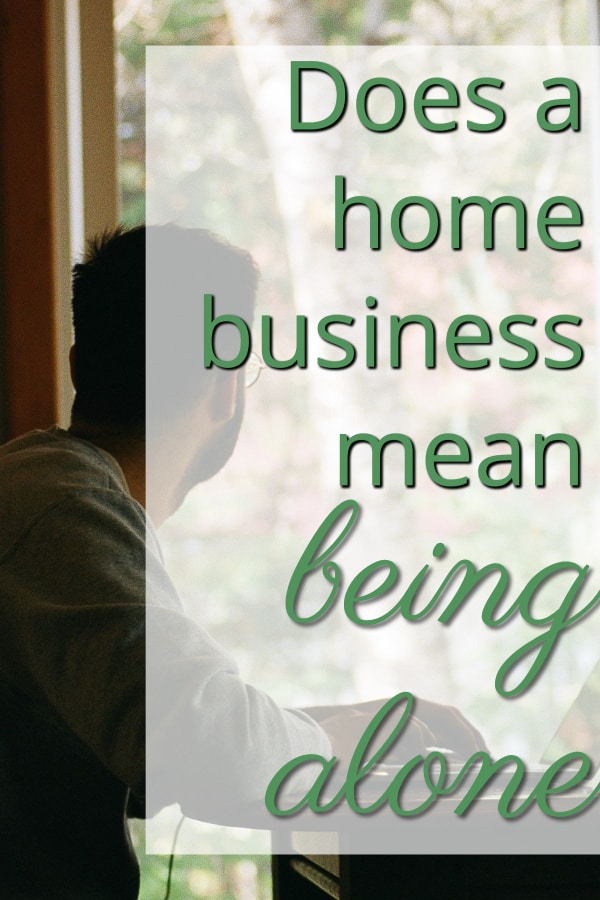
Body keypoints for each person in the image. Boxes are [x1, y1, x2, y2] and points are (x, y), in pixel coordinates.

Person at [0, 224, 485, 899]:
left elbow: (150, 740)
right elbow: (201, 745)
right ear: (228, 385)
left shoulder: (42, 491)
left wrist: (325, 730)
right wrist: (334, 746)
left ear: (80, 367)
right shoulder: (60, 506)